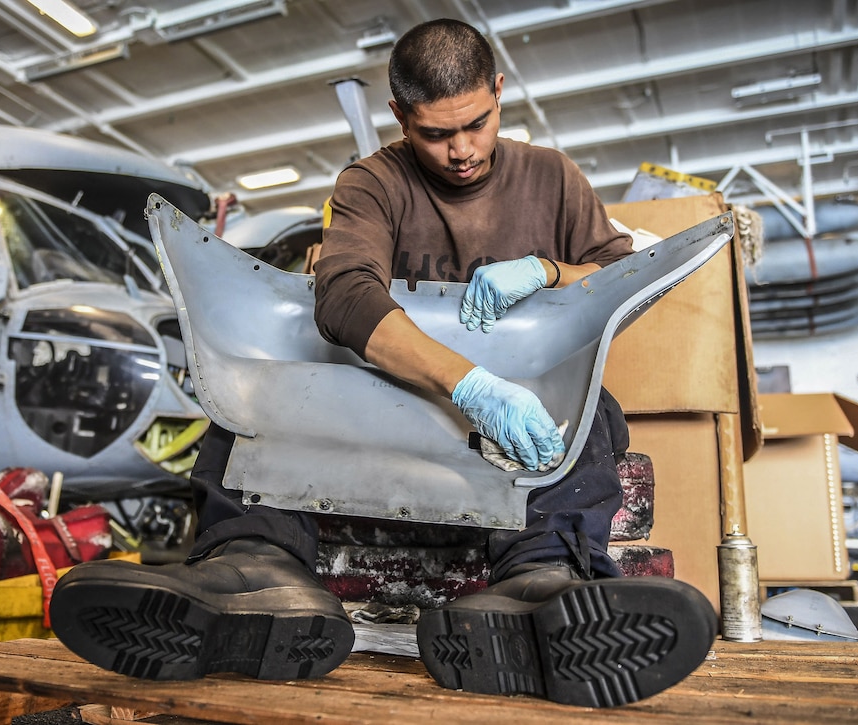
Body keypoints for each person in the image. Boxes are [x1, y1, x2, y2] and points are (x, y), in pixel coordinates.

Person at [50, 18, 717, 708]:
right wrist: (470, 385)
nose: (461, 150)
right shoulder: (372, 183)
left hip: (508, 437)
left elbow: (617, 277)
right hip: (388, 408)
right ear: (399, 117)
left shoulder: (550, 177)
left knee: (593, 410)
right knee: (258, 390)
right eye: (435, 133)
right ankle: (256, 564)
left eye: (477, 124)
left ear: (498, 91)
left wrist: (548, 271)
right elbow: (341, 297)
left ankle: (540, 581)